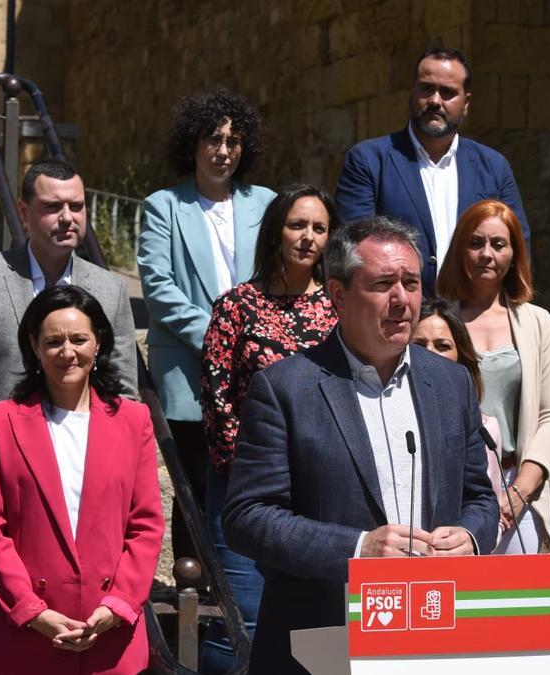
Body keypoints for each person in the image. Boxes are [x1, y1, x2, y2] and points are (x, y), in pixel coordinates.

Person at [223, 216, 499, 674]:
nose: (402, 301)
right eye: (383, 284)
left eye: (411, 283)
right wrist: (357, 548)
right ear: (337, 294)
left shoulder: (451, 383)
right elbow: (247, 516)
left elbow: (479, 495)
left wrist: (469, 536)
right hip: (322, 639)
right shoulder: (285, 387)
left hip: (430, 635)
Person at [0, 158, 138, 673]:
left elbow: (123, 389)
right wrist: (17, 446)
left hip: (88, 484)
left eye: (76, 205)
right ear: (25, 212)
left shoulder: (110, 287)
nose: (67, 217)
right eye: (52, 206)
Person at [0, 285, 163, 674]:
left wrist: (118, 604)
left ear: (98, 343)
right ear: (34, 346)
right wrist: (31, 611)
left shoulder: (133, 420)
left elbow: (146, 525)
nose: (67, 352)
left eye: (79, 339)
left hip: (109, 635)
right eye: (54, 341)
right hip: (23, 637)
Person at [198, 184, 339, 672]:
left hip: (324, 490)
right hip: (247, 485)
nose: (308, 238)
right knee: (245, 618)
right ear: (276, 231)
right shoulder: (237, 306)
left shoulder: (340, 309)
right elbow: (216, 397)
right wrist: (257, 467)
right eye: (297, 225)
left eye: (319, 228)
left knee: (320, 626)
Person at [138, 88, 275, 564]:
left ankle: (246, 592)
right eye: (213, 139)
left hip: (258, 373)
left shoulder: (267, 204)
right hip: (192, 374)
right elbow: (159, 289)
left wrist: (255, 344)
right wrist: (221, 341)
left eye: (233, 140)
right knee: (194, 492)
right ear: (192, 144)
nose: (223, 150)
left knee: (256, 488)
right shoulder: (163, 207)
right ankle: (193, 608)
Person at [334, 47, 529, 295]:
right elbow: (354, 251)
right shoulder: (369, 161)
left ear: (466, 103)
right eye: (426, 88)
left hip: (472, 319)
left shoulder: (493, 167)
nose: (435, 101)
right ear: (412, 91)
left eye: (447, 93)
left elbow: (519, 246)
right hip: (399, 320)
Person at [435, 199, 550, 554]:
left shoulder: (538, 323)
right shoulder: (436, 321)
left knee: (512, 605)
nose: (486, 254)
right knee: (454, 602)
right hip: (452, 483)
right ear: (460, 249)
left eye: (498, 244)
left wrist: (521, 490)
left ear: (514, 253)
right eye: (475, 243)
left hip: (516, 483)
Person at [410, 297, 506, 546]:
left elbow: (487, 511)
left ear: (461, 356)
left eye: (442, 345)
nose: (430, 355)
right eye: (419, 345)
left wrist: (467, 538)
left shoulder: (486, 429)